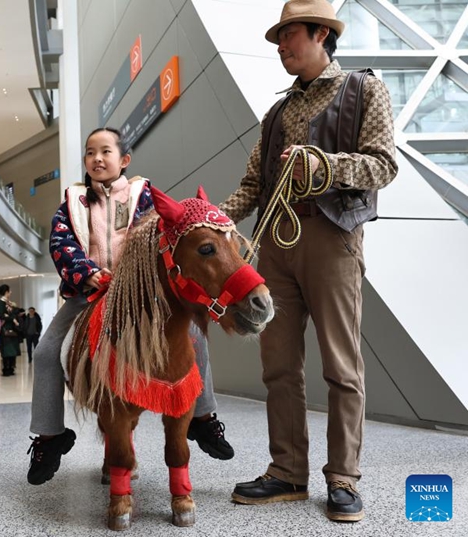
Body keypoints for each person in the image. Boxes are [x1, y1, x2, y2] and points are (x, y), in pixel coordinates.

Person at [221, 1, 397, 522]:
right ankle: (287, 473)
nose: (280, 45)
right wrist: (208, 216)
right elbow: (254, 185)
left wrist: (325, 164)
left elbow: (384, 165)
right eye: (277, 37)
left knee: (342, 367)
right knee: (277, 365)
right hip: (274, 242)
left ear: (321, 33)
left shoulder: (365, 90)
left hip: (333, 238)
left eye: (289, 34)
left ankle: (343, 478)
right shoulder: (275, 112)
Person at [27, 127, 233, 486]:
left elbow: (158, 237)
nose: (97, 159)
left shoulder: (145, 198)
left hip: (141, 294)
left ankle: (202, 417)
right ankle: (49, 436)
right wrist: (87, 273)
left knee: (196, 339)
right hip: (86, 294)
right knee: (46, 352)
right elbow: (61, 246)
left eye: (105, 151)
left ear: (124, 160)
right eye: (90, 153)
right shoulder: (71, 204)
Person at [0, 284, 20, 376]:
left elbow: (13, 313)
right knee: (7, 350)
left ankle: (11, 367)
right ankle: (6, 368)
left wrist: (11, 316)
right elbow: (2, 315)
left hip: (12, 330)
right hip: (5, 330)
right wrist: (11, 318)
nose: (11, 292)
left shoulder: (9, 303)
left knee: (13, 350)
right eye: (9, 291)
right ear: (6, 292)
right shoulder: (1, 303)